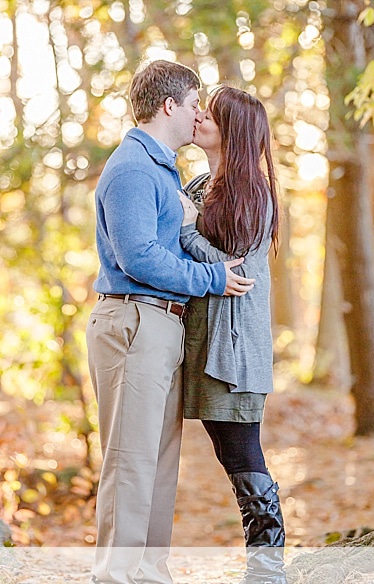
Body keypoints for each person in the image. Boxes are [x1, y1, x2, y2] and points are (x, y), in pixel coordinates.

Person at [87, 60, 255, 584]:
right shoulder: (134, 167)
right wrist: (212, 276)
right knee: (130, 461)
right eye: (192, 104)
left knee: (158, 462)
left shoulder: (159, 167)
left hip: (159, 324)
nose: (197, 114)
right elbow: (137, 257)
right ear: (169, 106)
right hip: (134, 320)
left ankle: (148, 571)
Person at [177, 86, 284, 584]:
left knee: (241, 453)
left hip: (235, 346)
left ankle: (267, 568)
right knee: (230, 452)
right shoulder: (203, 182)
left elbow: (233, 269)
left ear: (233, 133)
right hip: (205, 338)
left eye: (210, 115)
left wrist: (184, 228)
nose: (198, 117)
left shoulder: (253, 193)